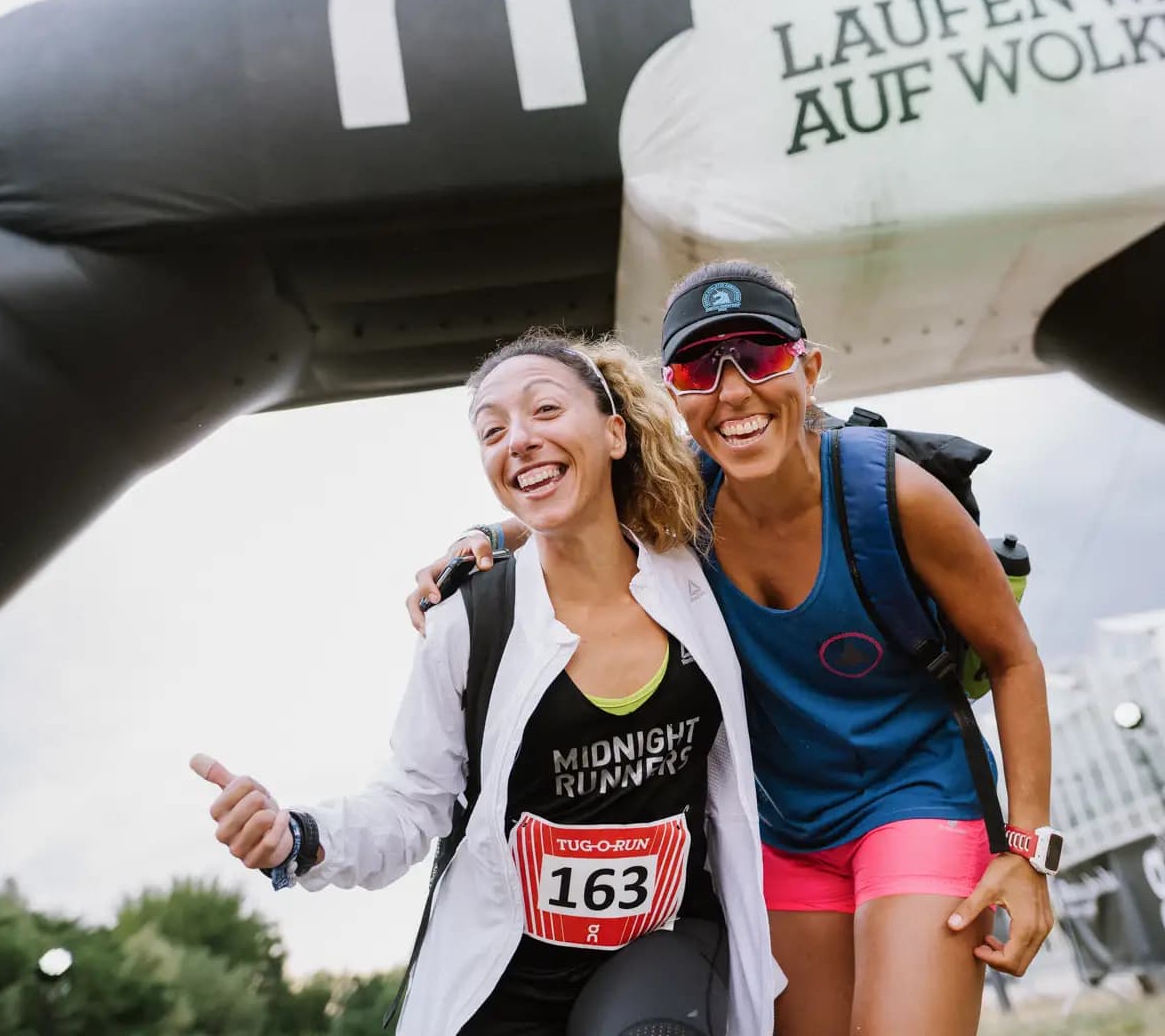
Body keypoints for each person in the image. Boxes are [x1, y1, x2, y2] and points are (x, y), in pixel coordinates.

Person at [411, 263, 1056, 1036]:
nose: (734, 392)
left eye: (758, 357)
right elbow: (578, 497)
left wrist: (1028, 855)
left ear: (809, 367)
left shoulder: (899, 496)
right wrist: (484, 537)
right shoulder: (686, 502)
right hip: (786, 833)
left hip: (919, 798)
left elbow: (1014, 659)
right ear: (676, 397)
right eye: (697, 369)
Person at [192, 330, 782, 1035]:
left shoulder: (697, 571)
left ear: (615, 433)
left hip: (666, 952)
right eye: (492, 430)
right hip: (506, 973)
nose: (520, 440)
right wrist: (298, 836)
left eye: (546, 411)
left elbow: (782, 450)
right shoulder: (470, 623)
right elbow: (413, 800)